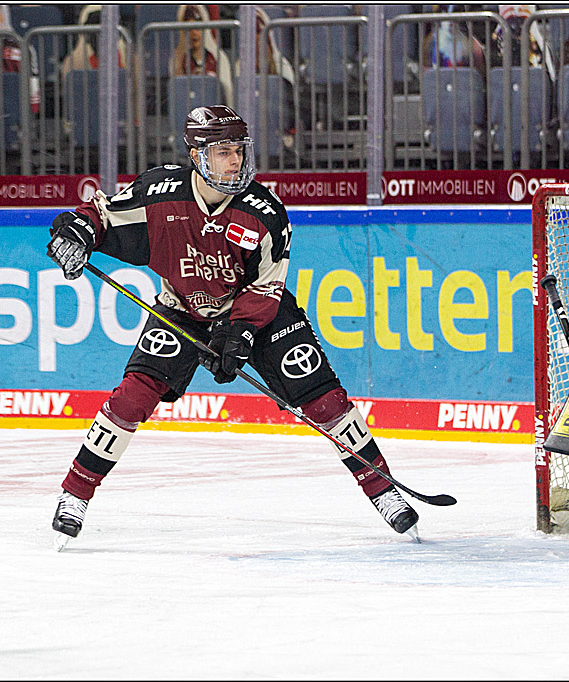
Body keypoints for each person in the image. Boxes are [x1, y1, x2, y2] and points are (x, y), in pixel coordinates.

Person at [45, 105, 420, 551]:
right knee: (133, 396)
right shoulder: (160, 193)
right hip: (181, 309)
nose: (235, 161)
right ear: (196, 154)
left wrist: (239, 334)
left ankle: (384, 491)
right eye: (223, 152)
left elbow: (267, 287)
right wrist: (77, 233)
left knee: (322, 397)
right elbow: (103, 215)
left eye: (239, 151)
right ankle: (75, 494)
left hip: (257, 314)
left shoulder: (265, 213)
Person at [169, 4, 234, 106]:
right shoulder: (177, 61)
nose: (194, 33)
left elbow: (228, 95)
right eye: (189, 28)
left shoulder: (219, 58)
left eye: (197, 28)